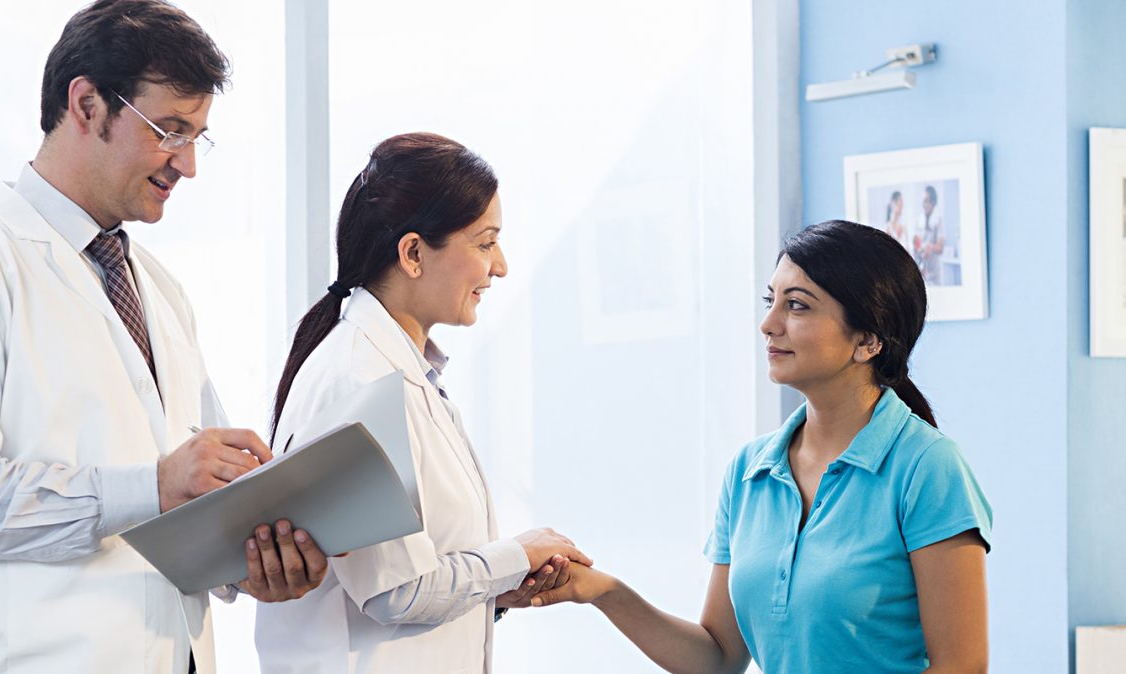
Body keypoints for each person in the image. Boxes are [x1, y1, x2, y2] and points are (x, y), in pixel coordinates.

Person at [0, 3, 326, 672]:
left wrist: (253, 558)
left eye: (199, 137)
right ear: (86, 104)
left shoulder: (160, 290)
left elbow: (199, 497)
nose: (189, 165)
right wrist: (151, 486)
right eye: (170, 130)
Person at [527, 220, 993, 674]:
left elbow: (963, 665)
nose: (769, 324)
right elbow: (718, 658)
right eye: (771, 300)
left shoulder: (928, 467)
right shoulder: (749, 470)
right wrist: (604, 590)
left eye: (798, 306)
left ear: (868, 341)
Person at [255, 132, 588, 673]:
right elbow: (396, 593)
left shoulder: (399, 371)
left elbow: (407, 574)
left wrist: (494, 590)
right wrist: (513, 556)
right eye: (484, 243)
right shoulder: (360, 379)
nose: (499, 266)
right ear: (413, 253)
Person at [915, 185, 946, 284]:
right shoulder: (919, 220)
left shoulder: (939, 221)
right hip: (922, 271)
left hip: (934, 273)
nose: (923, 204)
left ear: (933, 203)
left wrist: (930, 247)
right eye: (922, 201)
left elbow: (940, 248)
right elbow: (917, 244)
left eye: (926, 201)